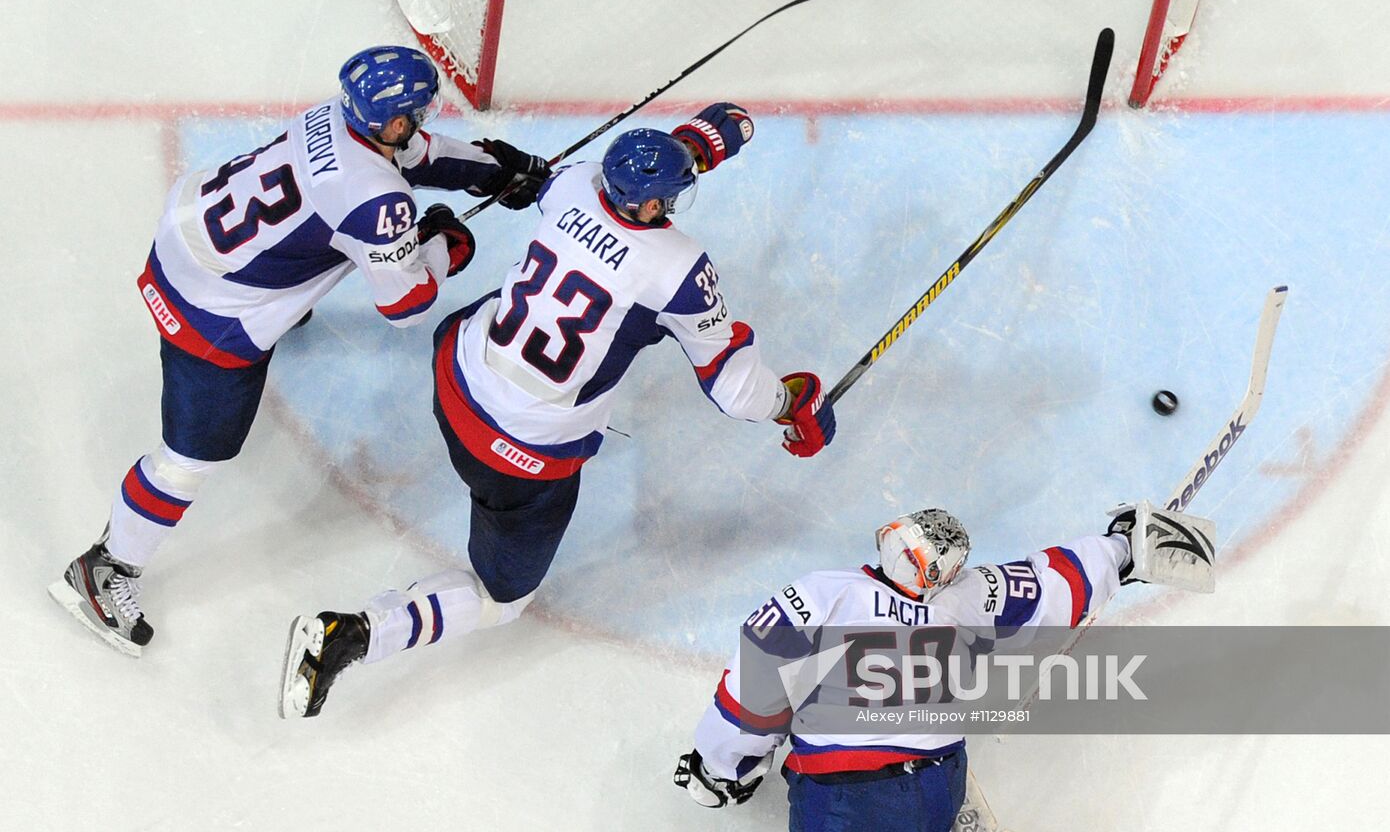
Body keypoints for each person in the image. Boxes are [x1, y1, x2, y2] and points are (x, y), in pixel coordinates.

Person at [279, 103, 838, 718]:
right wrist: (791, 402)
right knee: (501, 599)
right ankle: (361, 633)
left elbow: (595, 187)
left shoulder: (575, 184)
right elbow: (734, 390)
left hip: (453, 379)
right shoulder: (680, 271)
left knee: (514, 305)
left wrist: (687, 149)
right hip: (519, 458)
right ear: (655, 204)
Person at [49, 45, 550, 657]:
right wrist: (444, 246)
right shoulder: (376, 200)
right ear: (393, 120)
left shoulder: (335, 115)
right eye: (416, 112)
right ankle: (104, 569)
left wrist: (494, 171)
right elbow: (406, 304)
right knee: (190, 459)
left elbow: (416, 155)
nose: (422, 119)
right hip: (210, 314)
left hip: (189, 229)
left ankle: (284, 300)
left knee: (318, 240)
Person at [671, 507, 1140, 832]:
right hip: (942, 782)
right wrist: (1123, 548)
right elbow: (1055, 584)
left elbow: (750, 698)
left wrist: (721, 769)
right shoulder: (970, 595)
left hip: (848, 799)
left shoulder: (822, 593)